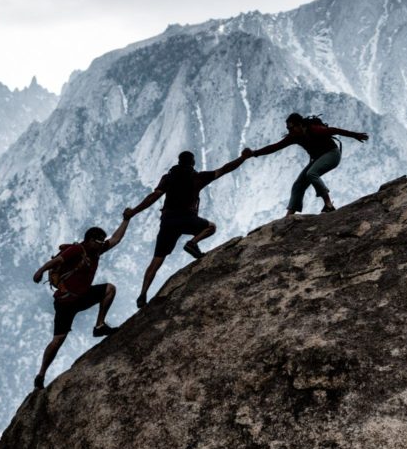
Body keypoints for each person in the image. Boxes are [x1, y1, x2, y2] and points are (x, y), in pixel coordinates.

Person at [126, 149, 250, 308]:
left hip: (168, 221)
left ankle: (142, 295)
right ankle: (193, 243)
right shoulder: (198, 177)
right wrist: (243, 158)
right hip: (187, 219)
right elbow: (225, 169)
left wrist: (134, 211)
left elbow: (154, 196)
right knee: (211, 227)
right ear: (192, 163)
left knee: (157, 260)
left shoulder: (168, 178)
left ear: (179, 162)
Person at [30, 215, 130, 389]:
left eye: (101, 241)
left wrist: (126, 219)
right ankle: (41, 374)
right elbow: (57, 261)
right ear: (90, 240)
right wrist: (40, 271)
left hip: (82, 296)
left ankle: (99, 326)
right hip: (65, 302)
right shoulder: (77, 250)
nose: (101, 244)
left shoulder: (96, 250)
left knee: (109, 289)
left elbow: (115, 239)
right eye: (98, 241)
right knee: (58, 340)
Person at [248, 113, 368, 215]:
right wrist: (255, 153)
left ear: (300, 125)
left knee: (312, 173)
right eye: (288, 129)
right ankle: (290, 215)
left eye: (291, 128)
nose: (289, 131)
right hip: (318, 158)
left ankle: (328, 204)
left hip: (332, 155)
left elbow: (335, 130)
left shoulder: (314, 129)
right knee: (298, 184)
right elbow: (275, 147)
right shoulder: (293, 136)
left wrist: (355, 135)